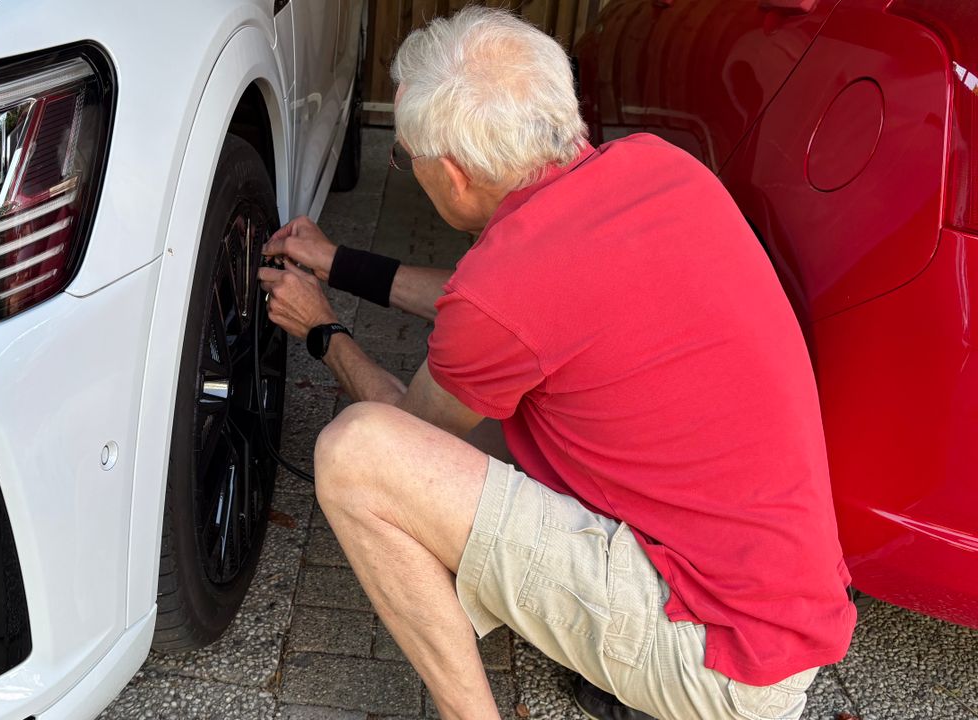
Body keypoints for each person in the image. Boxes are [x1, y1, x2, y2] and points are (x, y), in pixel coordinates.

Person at [257, 7, 856, 720]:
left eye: (406, 160)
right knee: (516, 418)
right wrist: (338, 262)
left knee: (356, 453)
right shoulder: (657, 167)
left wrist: (323, 329)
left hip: (717, 664)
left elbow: (409, 437)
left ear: (450, 176)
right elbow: (506, 313)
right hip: (782, 620)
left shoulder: (507, 289)